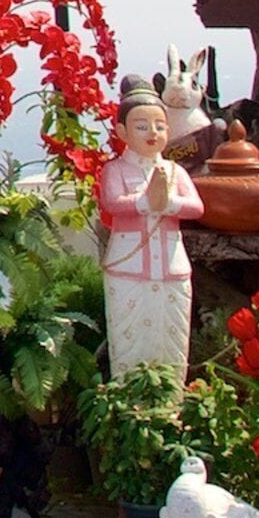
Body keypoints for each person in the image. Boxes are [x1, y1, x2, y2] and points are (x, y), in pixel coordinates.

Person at [98, 76, 204, 379]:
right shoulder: (115, 170)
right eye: (142, 126)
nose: (152, 133)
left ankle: (171, 400)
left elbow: (196, 207)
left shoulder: (175, 170)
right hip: (128, 266)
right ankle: (131, 398)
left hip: (171, 265)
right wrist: (146, 201)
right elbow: (113, 203)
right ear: (122, 132)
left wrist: (167, 202)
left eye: (159, 125)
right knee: (129, 331)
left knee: (170, 331)